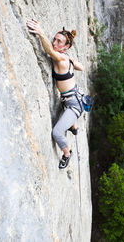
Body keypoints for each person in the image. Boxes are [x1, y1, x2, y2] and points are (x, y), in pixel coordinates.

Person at [26, 19, 84, 169]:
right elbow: (81, 67)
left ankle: (66, 153)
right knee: (66, 104)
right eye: (54, 39)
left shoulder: (62, 59)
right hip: (72, 98)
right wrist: (71, 59)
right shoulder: (67, 58)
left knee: (57, 133)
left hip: (74, 105)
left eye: (59, 42)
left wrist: (40, 32)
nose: (54, 43)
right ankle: (73, 126)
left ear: (66, 47)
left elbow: (50, 52)